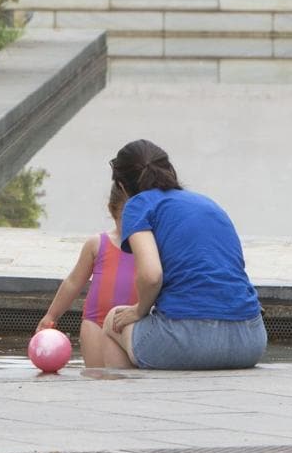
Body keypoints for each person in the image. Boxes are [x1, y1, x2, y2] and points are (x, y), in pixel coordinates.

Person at [101, 139, 266, 370]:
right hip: (250, 340)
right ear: (169, 171)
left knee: (114, 320)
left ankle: (126, 399)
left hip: (187, 340)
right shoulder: (207, 203)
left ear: (122, 186)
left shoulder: (138, 204)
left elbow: (151, 275)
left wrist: (139, 310)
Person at [36, 183, 136, 368]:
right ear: (113, 211)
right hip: (95, 322)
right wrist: (51, 316)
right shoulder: (97, 244)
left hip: (133, 321)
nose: (132, 222)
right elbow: (74, 282)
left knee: (127, 383)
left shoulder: (152, 249)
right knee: (96, 376)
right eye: (125, 217)